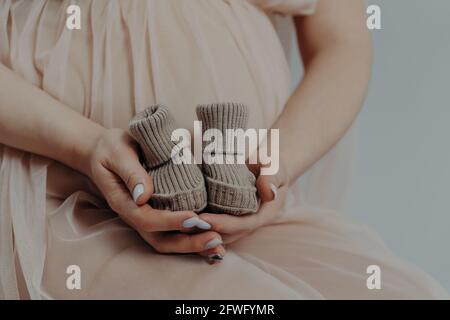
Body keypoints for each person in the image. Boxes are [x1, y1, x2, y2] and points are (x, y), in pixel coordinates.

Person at [0, 0, 447, 299]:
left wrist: (278, 162)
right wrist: (85, 145)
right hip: (55, 201)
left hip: (255, 215)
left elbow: (342, 39)